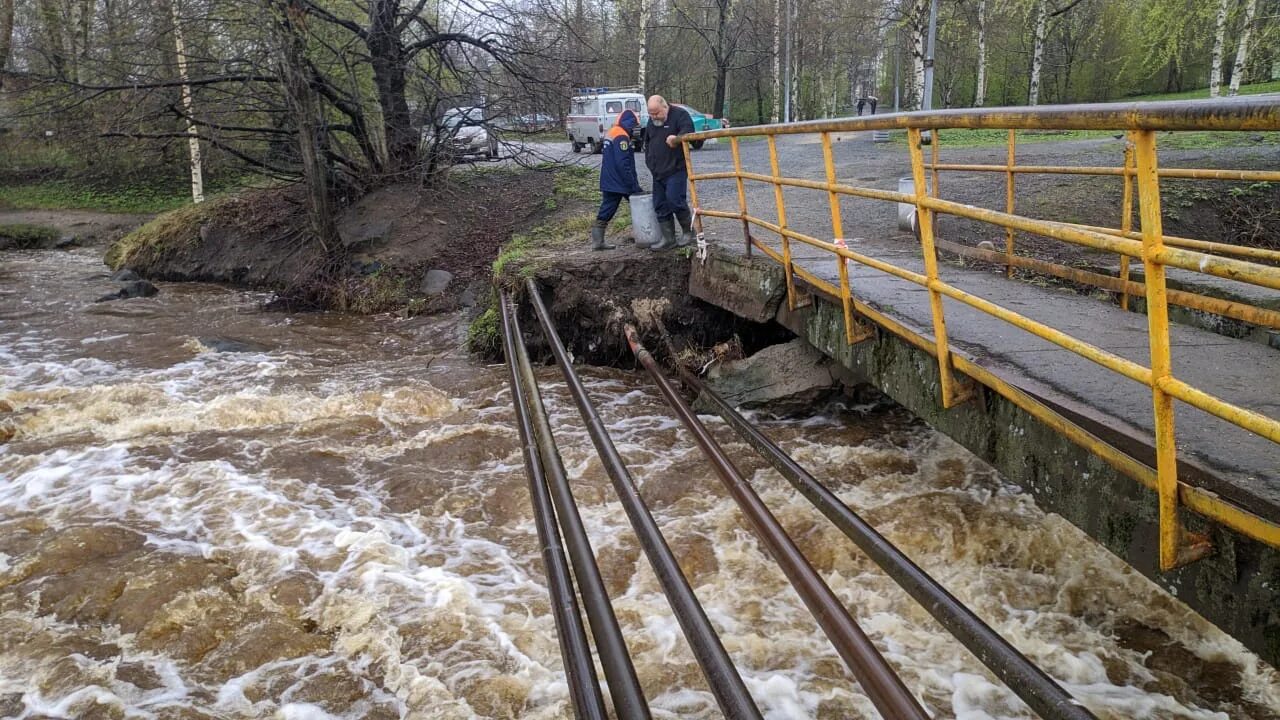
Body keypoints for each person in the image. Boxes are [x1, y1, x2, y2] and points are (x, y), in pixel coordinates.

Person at [641, 95, 696, 251]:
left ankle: (689, 232)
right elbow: (648, 143)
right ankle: (668, 238)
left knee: (674, 199)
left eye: (656, 113)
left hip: (676, 168)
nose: (654, 117)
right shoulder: (652, 123)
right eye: (651, 114)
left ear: (665, 107)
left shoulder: (680, 115)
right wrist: (650, 163)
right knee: (659, 204)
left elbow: (690, 134)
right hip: (657, 170)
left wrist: (677, 138)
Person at [592, 109, 644, 251]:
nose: (635, 129)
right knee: (642, 205)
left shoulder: (612, 131)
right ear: (629, 123)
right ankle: (648, 234)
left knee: (607, 209)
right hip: (619, 182)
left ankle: (598, 241)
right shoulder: (621, 136)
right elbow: (623, 163)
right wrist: (633, 185)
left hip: (609, 180)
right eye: (634, 126)